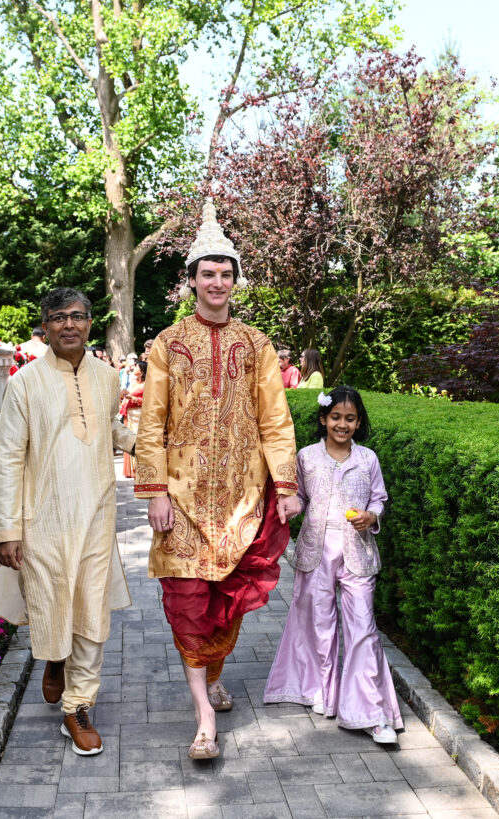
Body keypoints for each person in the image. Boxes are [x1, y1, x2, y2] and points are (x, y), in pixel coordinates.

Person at [135, 200, 300, 761]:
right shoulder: (168, 343)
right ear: (192, 281)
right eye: (208, 273)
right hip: (181, 498)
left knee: (225, 600)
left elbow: (275, 420)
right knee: (188, 600)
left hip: (240, 497)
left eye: (226, 273)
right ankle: (204, 715)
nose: (217, 282)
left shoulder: (256, 345)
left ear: (235, 280)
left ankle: (213, 675)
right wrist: (155, 491)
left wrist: (286, 486)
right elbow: (151, 423)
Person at [0, 287, 137, 756]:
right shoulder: (25, 383)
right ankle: (55, 656)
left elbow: (107, 426)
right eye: (58, 317)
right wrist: (7, 530)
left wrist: (143, 445)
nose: (68, 324)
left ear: (90, 323)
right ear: (46, 326)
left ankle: (77, 706)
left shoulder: (107, 377)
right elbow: (8, 459)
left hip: (97, 513)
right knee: (52, 604)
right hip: (44, 518)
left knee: (91, 607)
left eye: (77, 316)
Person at [263, 386, 402, 744]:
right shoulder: (306, 457)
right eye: (336, 417)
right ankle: (322, 692)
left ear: (358, 422)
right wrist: (290, 506)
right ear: (324, 418)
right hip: (316, 552)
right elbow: (300, 497)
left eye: (350, 418)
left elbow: (379, 499)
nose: (342, 424)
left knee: (363, 627)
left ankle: (372, 713)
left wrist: (372, 516)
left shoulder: (368, 459)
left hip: (358, 551)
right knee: (318, 625)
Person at [120, 360, 146, 479]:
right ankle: (131, 470)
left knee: (138, 440)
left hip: (139, 415)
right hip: (129, 415)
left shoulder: (146, 384)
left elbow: (148, 401)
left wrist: (133, 398)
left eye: (136, 366)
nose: (134, 368)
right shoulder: (134, 382)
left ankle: (139, 468)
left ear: (142, 371)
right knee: (129, 440)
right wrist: (123, 395)